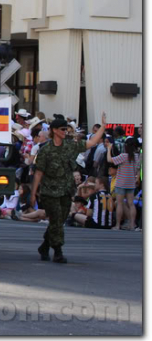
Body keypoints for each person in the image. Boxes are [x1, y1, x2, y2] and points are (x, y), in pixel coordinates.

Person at [32, 112, 106, 263]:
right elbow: (38, 173)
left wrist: (103, 127)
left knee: (57, 221)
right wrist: (33, 193)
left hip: (66, 191)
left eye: (66, 129)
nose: (65, 132)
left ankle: (45, 246)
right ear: (54, 130)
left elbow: (91, 143)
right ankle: (58, 251)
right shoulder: (45, 150)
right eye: (62, 129)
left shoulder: (70, 146)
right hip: (50, 191)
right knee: (57, 219)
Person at [106, 136, 141, 230]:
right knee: (131, 204)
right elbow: (137, 169)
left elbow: (110, 160)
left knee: (120, 203)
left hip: (121, 182)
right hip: (131, 183)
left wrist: (109, 149)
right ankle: (132, 225)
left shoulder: (123, 156)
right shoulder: (137, 156)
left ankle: (117, 225)